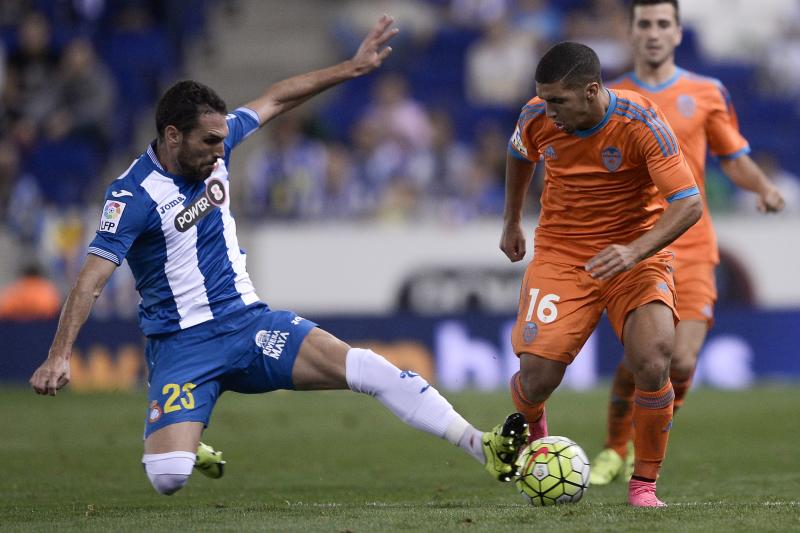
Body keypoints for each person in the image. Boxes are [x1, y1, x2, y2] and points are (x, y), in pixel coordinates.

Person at [29, 16, 528, 496]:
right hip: (182, 345)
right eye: (209, 142)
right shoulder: (132, 196)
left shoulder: (216, 142)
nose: (220, 150)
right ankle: (181, 432)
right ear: (172, 136)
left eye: (224, 139)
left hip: (248, 324)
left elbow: (276, 97)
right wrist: (59, 355)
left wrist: (349, 69)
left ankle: (480, 445)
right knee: (169, 477)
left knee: (370, 368)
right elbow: (92, 277)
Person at [590, 0, 786, 487]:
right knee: (642, 360)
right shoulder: (611, 96)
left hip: (693, 243)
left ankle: (640, 442)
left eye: (663, 24)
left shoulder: (706, 91)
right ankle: (616, 448)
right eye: (645, 24)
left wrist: (762, 187)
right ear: (630, 32)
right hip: (638, 244)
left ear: (678, 33)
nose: (654, 33)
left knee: (679, 360)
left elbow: (732, 155)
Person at [501, 41, 703, 507]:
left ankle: (644, 486)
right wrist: (512, 220)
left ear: (592, 90)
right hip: (561, 255)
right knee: (535, 379)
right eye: (544, 99)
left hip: (635, 253)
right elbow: (518, 155)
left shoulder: (642, 122)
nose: (548, 111)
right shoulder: (535, 117)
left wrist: (634, 250)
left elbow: (688, 203)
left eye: (559, 101)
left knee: (654, 357)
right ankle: (538, 442)